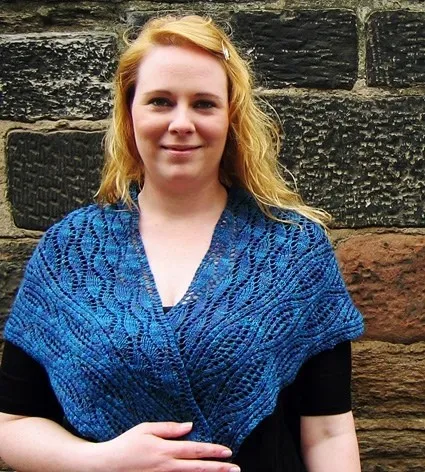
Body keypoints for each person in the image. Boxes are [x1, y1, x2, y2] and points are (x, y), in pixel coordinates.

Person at [0, 14, 364, 472]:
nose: (181, 123)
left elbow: (329, 431)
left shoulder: (293, 249)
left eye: (204, 104)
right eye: (160, 101)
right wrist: (100, 461)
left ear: (230, 117)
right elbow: (11, 423)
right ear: (130, 113)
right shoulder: (68, 251)